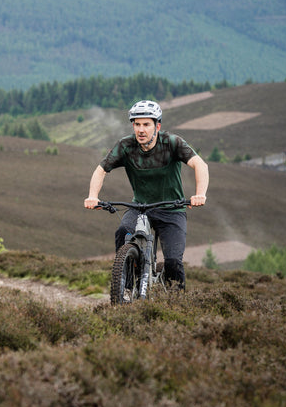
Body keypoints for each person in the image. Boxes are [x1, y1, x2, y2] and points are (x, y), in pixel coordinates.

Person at [83, 99, 209, 290]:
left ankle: (177, 303)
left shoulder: (172, 143)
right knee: (122, 232)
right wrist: (93, 196)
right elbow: (101, 170)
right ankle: (126, 285)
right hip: (140, 208)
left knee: (173, 261)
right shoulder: (125, 146)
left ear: (157, 126)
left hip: (171, 209)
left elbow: (200, 164)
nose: (141, 130)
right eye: (137, 124)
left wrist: (200, 194)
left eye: (146, 124)